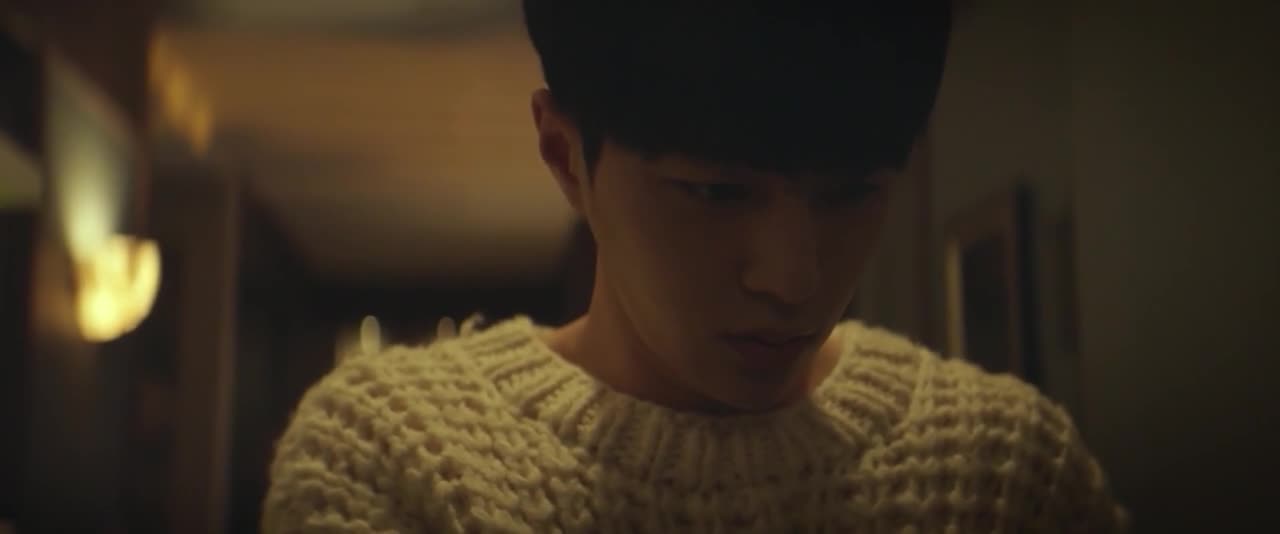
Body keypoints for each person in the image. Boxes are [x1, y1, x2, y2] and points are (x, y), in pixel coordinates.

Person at [262, 1, 1128, 532]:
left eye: (852, 193)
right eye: (717, 194)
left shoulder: (1004, 472)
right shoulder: (396, 457)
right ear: (566, 157)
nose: (793, 279)